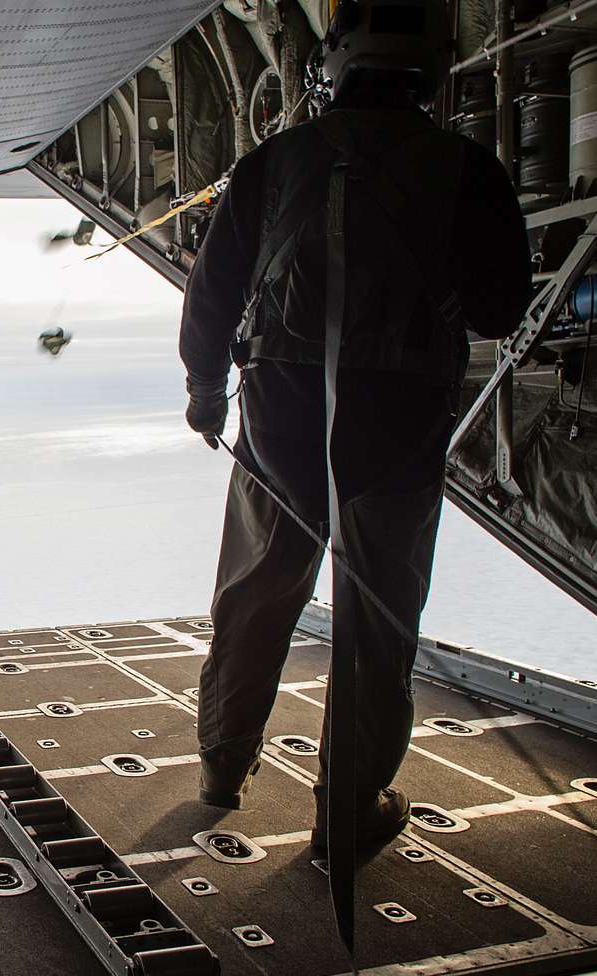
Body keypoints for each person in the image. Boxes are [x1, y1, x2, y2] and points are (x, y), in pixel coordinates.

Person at [178, 0, 530, 860]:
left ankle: (223, 769)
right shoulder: (466, 169)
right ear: (430, 74)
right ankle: (346, 815)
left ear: (330, 72)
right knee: (377, 620)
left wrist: (206, 392)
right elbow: (500, 306)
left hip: (281, 424)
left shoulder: (273, 163)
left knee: (258, 592)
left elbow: (213, 292)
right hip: (397, 432)